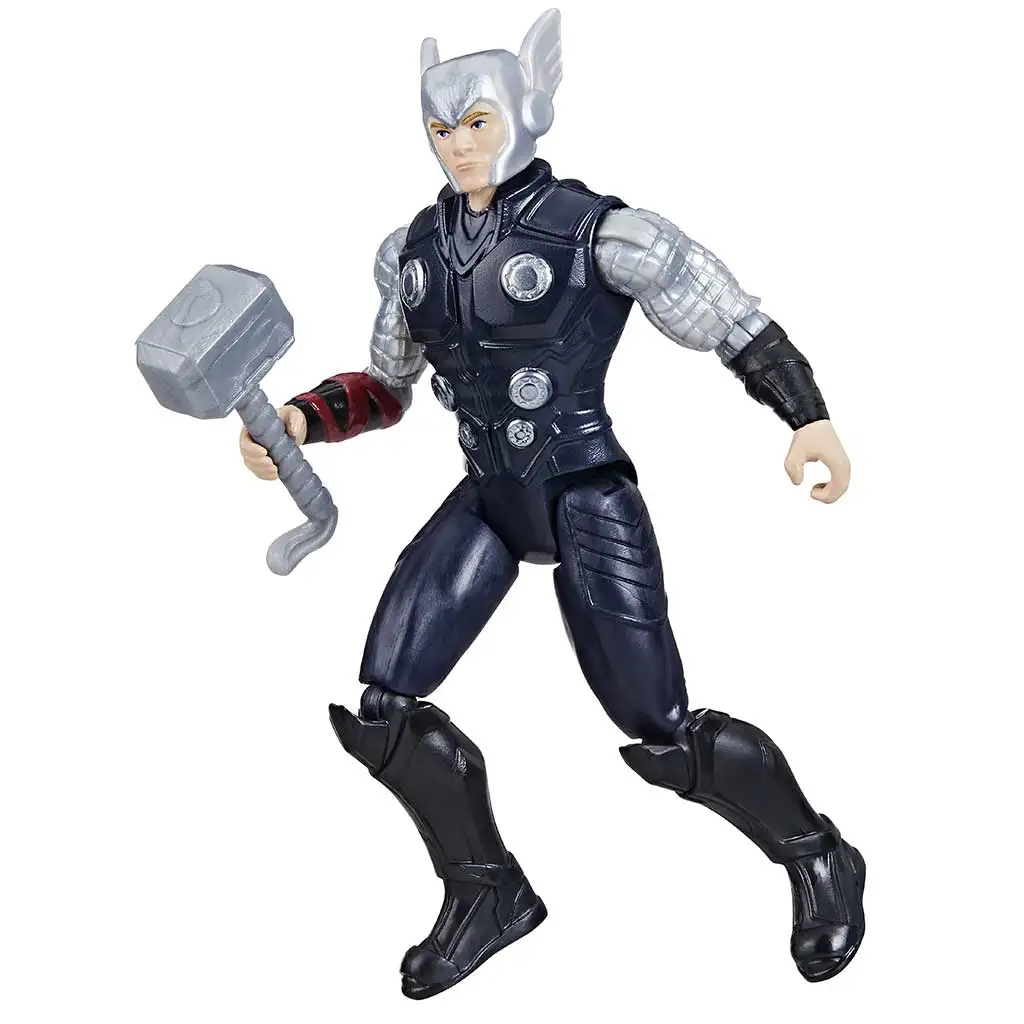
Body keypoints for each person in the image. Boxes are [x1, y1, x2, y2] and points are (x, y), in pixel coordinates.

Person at [240, 9, 865, 1000]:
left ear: (529, 110)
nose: (458, 146)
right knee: (385, 710)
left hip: (581, 489)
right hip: (490, 497)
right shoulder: (411, 251)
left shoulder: (602, 233)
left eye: (476, 123)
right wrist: (305, 420)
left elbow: (729, 319)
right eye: (440, 129)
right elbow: (389, 384)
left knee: (661, 730)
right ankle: (487, 891)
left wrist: (806, 415)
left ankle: (818, 854)